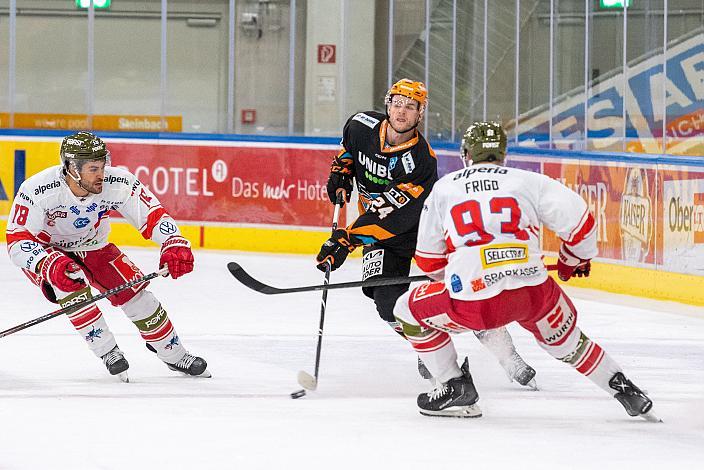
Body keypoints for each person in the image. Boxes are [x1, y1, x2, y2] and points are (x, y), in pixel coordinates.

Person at [393, 121, 656, 420]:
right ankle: (623, 387)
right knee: (567, 342)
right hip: (534, 293)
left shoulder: (445, 188)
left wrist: (459, 273)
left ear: (466, 153)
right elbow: (581, 225)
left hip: (477, 303)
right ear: (503, 153)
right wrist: (571, 260)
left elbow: (429, 261)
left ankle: (455, 386)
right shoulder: (528, 181)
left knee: (405, 309)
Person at [316, 79, 536, 388]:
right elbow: (348, 153)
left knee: (466, 292)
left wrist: (347, 239)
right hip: (382, 238)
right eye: (396, 103)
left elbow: (388, 213)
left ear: (421, 114)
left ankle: (507, 355)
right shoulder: (359, 125)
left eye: (410, 106)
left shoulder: (420, 159)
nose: (401, 111)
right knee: (386, 302)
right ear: (387, 103)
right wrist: (341, 174)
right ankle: (428, 341)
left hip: (426, 231)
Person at [5, 131, 209, 382]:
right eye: (93, 168)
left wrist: (173, 242)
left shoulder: (118, 182)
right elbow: (17, 241)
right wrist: (47, 263)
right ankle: (108, 351)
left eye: (102, 165)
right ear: (71, 168)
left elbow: (153, 215)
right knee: (70, 284)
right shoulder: (38, 189)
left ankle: (174, 354)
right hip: (48, 251)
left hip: (94, 245)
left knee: (137, 296)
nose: (101, 174)